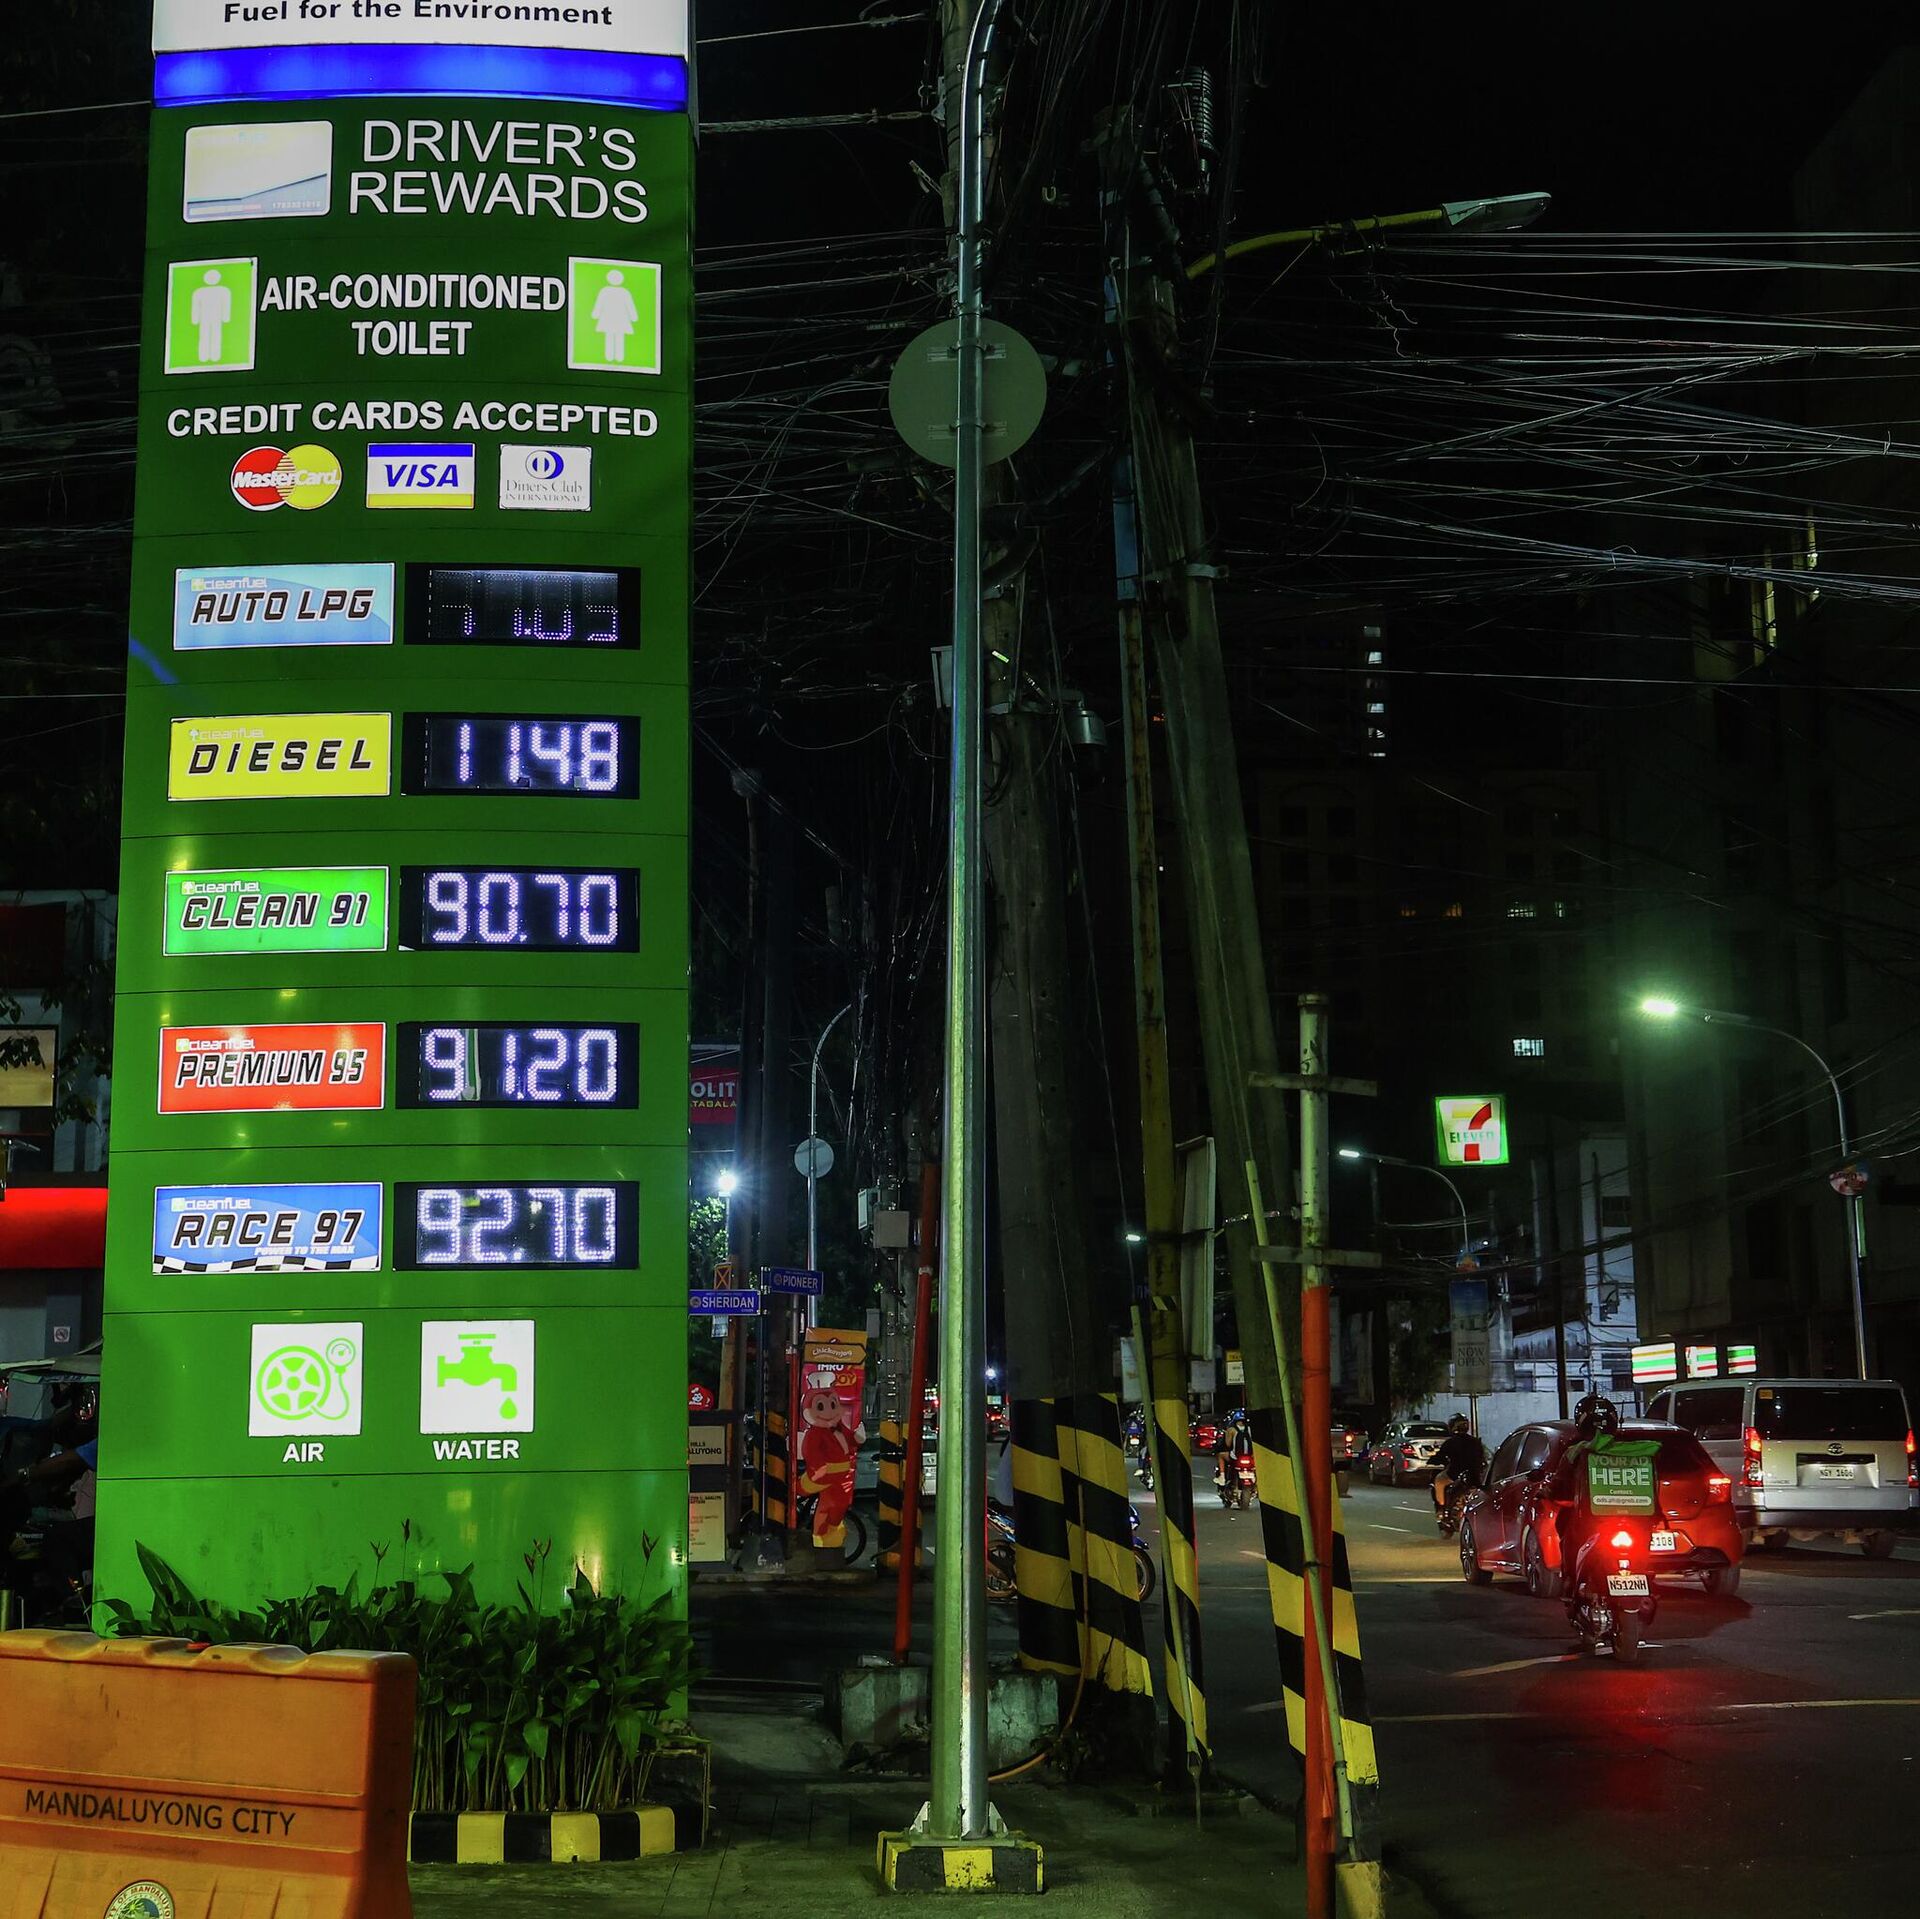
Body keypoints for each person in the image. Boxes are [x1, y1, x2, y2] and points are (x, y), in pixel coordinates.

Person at [1429, 1414, 1486, 1518]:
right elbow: (1482, 1458)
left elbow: (1440, 1457)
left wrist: (1432, 1460)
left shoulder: (1451, 1442)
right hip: (1474, 1476)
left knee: (1438, 1481)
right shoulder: (1475, 1442)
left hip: (1454, 1474)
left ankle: (1442, 1509)